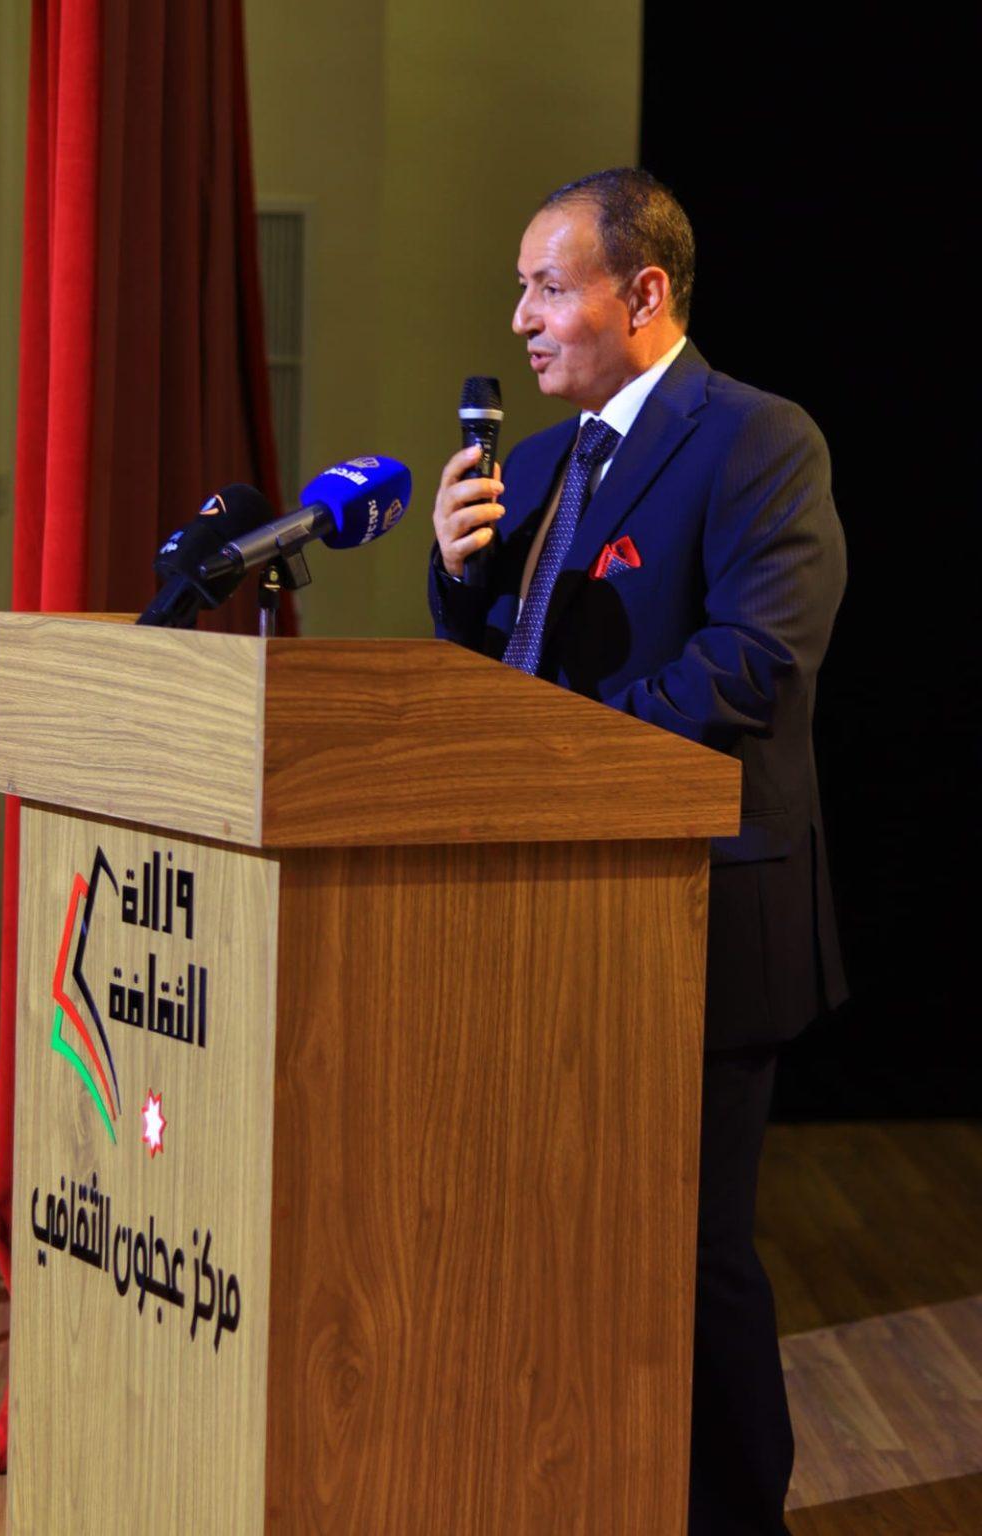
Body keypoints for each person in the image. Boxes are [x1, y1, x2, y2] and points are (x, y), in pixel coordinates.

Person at [428, 167, 847, 1535]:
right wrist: (459, 573)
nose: (521, 318)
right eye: (522, 288)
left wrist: (567, 754)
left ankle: (736, 1516)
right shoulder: (550, 464)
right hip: (557, 908)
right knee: (568, 1245)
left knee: (691, 1251)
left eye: (548, 288)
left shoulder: (758, 439)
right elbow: (506, 663)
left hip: (702, 915)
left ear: (644, 292)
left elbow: (757, 660)